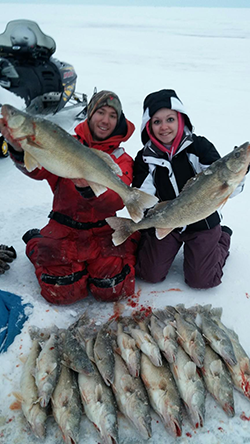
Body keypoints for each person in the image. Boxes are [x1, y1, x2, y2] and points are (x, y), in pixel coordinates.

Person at [8, 90, 140, 304]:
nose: (105, 120)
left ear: (119, 121)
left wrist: (88, 189)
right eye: (100, 112)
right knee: (61, 293)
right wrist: (18, 150)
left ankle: (128, 243)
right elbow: (38, 170)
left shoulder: (121, 159)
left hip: (103, 230)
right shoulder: (63, 142)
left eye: (112, 116)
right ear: (90, 114)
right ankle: (37, 242)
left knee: (113, 289)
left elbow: (116, 199)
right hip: (64, 228)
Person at [132, 89, 245, 289]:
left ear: (181, 119)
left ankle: (222, 237)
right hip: (169, 221)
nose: (164, 127)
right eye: (157, 122)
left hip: (203, 221)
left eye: (170, 119)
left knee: (202, 281)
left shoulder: (199, 146)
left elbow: (230, 189)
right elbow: (143, 197)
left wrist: (242, 170)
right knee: (150, 274)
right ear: (148, 126)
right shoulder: (144, 158)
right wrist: (152, 217)